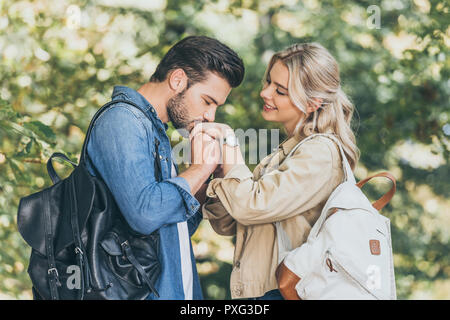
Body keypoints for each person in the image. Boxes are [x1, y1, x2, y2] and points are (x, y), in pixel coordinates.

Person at [85, 35, 245, 299]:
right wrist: (199, 168)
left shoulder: (155, 131)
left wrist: (206, 183)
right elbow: (144, 214)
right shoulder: (122, 120)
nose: (210, 116)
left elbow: (169, 230)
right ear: (178, 79)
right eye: (207, 101)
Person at [195, 42, 359, 300]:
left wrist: (228, 141)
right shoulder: (284, 155)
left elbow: (251, 206)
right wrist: (219, 173)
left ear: (313, 103)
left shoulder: (321, 153)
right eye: (268, 82)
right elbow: (230, 224)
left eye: (280, 90)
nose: (265, 93)